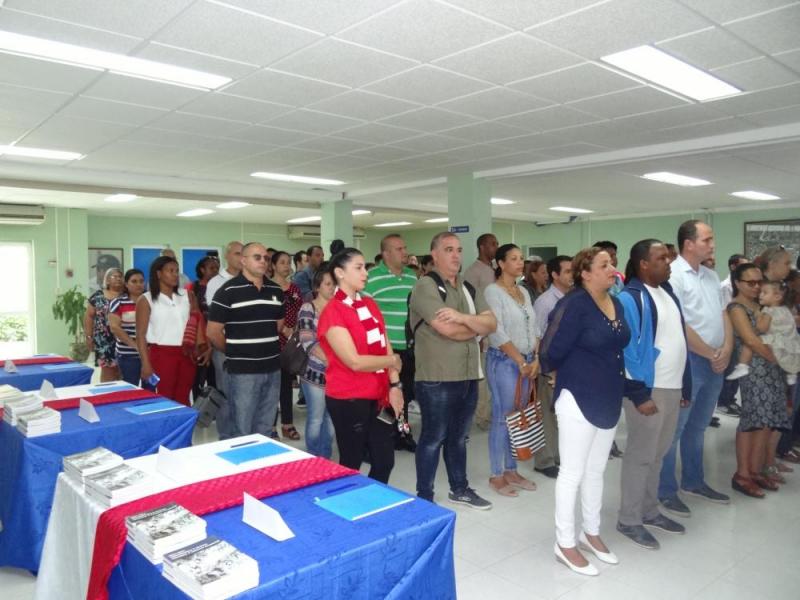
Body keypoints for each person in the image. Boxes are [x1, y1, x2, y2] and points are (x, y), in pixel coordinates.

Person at [540, 247, 630, 576]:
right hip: (578, 397)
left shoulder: (615, 302)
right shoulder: (574, 304)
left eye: (612, 264)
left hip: (608, 396)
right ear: (585, 273)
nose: (612, 269)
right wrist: (555, 375)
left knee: (596, 471)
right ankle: (564, 543)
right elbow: (549, 349)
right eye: (604, 265)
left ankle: (590, 533)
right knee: (572, 473)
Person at [410, 232, 497, 509]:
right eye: (448, 249)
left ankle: (459, 489)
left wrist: (461, 318)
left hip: (469, 375)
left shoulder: (468, 287)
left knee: (459, 439)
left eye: (459, 250)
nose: (456, 255)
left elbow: (492, 323)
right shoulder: (426, 286)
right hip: (437, 378)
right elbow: (447, 330)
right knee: (433, 439)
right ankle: (424, 496)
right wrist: (474, 327)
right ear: (434, 254)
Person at [616, 240, 691, 550]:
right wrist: (638, 393)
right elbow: (628, 351)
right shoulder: (632, 298)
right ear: (644, 263)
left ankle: (649, 510)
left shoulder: (667, 294)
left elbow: (680, 338)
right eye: (662, 258)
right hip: (649, 390)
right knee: (640, 455)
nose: (669, 262)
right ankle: (629, 519)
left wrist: (685, 385)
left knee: (658, 455)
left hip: (672, 388)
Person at [658, 220, 733, 518]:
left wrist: (726, 348)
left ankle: (693, 480)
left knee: (698, 427)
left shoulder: (711, 276)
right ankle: (665, 490)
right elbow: (679, 323)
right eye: (707, 239)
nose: (712, 244)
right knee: (674, 430)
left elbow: (723, 313)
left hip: (716, 360)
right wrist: (711, 352)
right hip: (689, 362)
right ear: (689, 243)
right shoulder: (673, 275)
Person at [317, 248, 404, 483]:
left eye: (365, 266)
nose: (365, 272)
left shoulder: (369, 304)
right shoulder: (333, 312)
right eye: (358, 267)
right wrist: (392, 361)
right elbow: (354, 362)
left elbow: (385, 344)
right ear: (340, 273)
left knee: (384, 459)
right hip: (349, 398)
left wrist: (395, 385)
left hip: (379, 395)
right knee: (351, 461)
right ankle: (347, 509)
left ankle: (372, 501)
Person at [207, 243, 284, 437]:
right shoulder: (227, 291)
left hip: (272, 368)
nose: (263, 261)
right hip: (243, 372)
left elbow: (278, 325)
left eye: (266, 258)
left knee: (266, 425)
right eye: (257, 257)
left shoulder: (275, 290)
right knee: (242, 426)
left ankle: (261, 466)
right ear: (243, 261)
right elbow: (213, 332)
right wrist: (235, 350)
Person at [727, 263, 788, 497]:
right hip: (753, 371)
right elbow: (750, 340)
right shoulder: (736, 308)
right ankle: (742, 474)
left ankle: (755, 470)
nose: (756, 287)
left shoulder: (763, 304)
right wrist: (776, 358)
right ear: (737, 283)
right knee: (751, 421)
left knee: (765, 422)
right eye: (750, 283)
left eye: (759, 282)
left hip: (771, 371)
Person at [484, 243, 539, 497]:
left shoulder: (523, 292)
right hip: (505, 362)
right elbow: (497, 331)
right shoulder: (493, 292)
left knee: (517, 417)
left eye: (521, 258)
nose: (520, 262)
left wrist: (535, 358)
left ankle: (511, 469)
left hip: (526, 361)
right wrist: (520, 360)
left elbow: (534, 327)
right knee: (502, 416)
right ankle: (497, 474)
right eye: (514, 259)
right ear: (501, 264)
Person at [364, 234, 419, 452]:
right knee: (381, 398)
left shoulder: (412, 279)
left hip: (409, 349)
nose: (405, 252)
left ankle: (402, 434)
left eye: (405, 248)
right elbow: (363, 315)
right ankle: (378, 438)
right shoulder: (371, 278)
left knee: (404, 396)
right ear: (386, 253)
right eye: (399, 249)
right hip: (383, 352)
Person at [136, 256, 210, 405]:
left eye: (177, 271)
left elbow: (198, 321)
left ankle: (181, 428)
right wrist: (145, 363)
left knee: (183, 397)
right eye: (170, 271)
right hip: (161, 355)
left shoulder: (187, 295)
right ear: (158, 274)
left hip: (186, 354)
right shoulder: (146, 299)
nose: (175, 274)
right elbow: (140, 335)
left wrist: (205, 347)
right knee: (163, 398)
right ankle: (164, 428)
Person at [532, 255, 574, 479]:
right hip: (549, 368)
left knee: (562, 416)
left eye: (572, 271)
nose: (571, 275)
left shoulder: (573, 299)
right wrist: (544, 367)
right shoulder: (546, 301)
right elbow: (537, 336)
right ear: (555, 275)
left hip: (568, 367)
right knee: (546, 417)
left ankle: (558, 455)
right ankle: (544, 460)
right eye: (566, 271)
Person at [727, 281, 800, 385]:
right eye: (761, 292)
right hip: (790, 341)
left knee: (750, 343)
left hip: (775, 339)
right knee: (788, 359)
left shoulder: (768, 311)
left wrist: (758, 317)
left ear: (777, 297)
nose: (760, 295)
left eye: (765, 293)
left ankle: (743, 366)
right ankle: (792, 373)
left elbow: (762, 328)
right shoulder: (786, 310)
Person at [297, 267, 336, 458]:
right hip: (314, 373)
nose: (332, 288)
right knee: (316, 418)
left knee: (331, 420)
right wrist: (329, 361)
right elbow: (307, 340)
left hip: (335, 375)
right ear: (317, 287)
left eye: (334, 284)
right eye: (328, 284)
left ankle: (325, 458)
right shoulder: (308, 308)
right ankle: (313, 457)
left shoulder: (338, 309)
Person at [205, 241, 242, 437]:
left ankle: (242, 434)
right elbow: (217, 318)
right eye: (237, 253)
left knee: (244, 395)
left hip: (246, 348)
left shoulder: (250, 280)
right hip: (225, 346)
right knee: (226, 393)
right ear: (227, 256)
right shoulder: (216, 283)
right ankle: (226, 436)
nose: (240, 257)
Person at [464, 233, 499, 432]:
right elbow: (470, 305)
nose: (496, 247)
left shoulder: (494, 270)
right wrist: (476, 334)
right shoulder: (473, 272)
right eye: (492, 244)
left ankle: (493, 413)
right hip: (482, 335)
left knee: (494, 377)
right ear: (482, 247)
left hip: (497, 334)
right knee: (483, 380)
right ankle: (482, 417)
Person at [271, 250, 303, 441]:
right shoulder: (268, 288)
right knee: (271, 387)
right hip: (273, 340)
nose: (286, 265)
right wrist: (283, 330)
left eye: (288, 262)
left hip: (291, 343)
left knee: (286, 385)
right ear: (273, 266)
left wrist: (295, 331)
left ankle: (287, 424)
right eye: (282, 262)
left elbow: (301, 311)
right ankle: (270, 425)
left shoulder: (295, 289)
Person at [716, 254, 749, 418]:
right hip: (731, 332)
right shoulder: (725, 287)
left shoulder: (741, 285)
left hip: (741, 332)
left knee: (737, 367)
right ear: (733, 267)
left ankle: (730, 399)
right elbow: (729, 311)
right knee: (729, 368)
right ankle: (723, 401)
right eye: (743, 265)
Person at [84, 267, 124, 382]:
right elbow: (88, 317)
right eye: (114, 276)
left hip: (124, 339)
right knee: (108, 371)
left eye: (120, 277)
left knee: (122, 370)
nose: (118, 279)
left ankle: (122, 396)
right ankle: (107, 395)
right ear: (107, 280)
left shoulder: (126, 296)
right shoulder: (98, 296)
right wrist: (89, 336)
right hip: (104, 341)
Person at [109, 269, 146, 387]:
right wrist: (137, 346)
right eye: (134, 281)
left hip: (150, 354)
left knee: (150, 390)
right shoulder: (118, 302)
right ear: (126, 284)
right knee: (130, 389)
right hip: (128, 356)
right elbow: (115, 328)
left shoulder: (150, 300)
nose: (138, 284)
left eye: (141, 281)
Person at [189, 256, 219, 398]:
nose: (215, 271)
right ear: (202, 270)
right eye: (212, 268)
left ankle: (213, 411)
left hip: (217, 337)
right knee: (198, 379)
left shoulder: (221, 287)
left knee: (215, 378)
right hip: (199, 339)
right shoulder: (192, 287)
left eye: (217, 268)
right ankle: (198, 409)